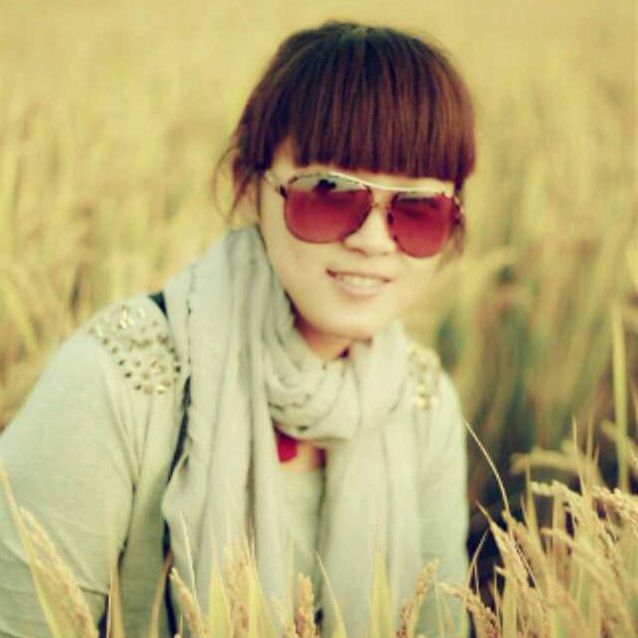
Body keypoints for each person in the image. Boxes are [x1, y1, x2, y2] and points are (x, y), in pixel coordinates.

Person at [0, 20, 475, 638]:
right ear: (251, 188)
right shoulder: (119, 379)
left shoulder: (421, 401)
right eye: (329, 192)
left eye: (418, 208)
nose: (372, 240)